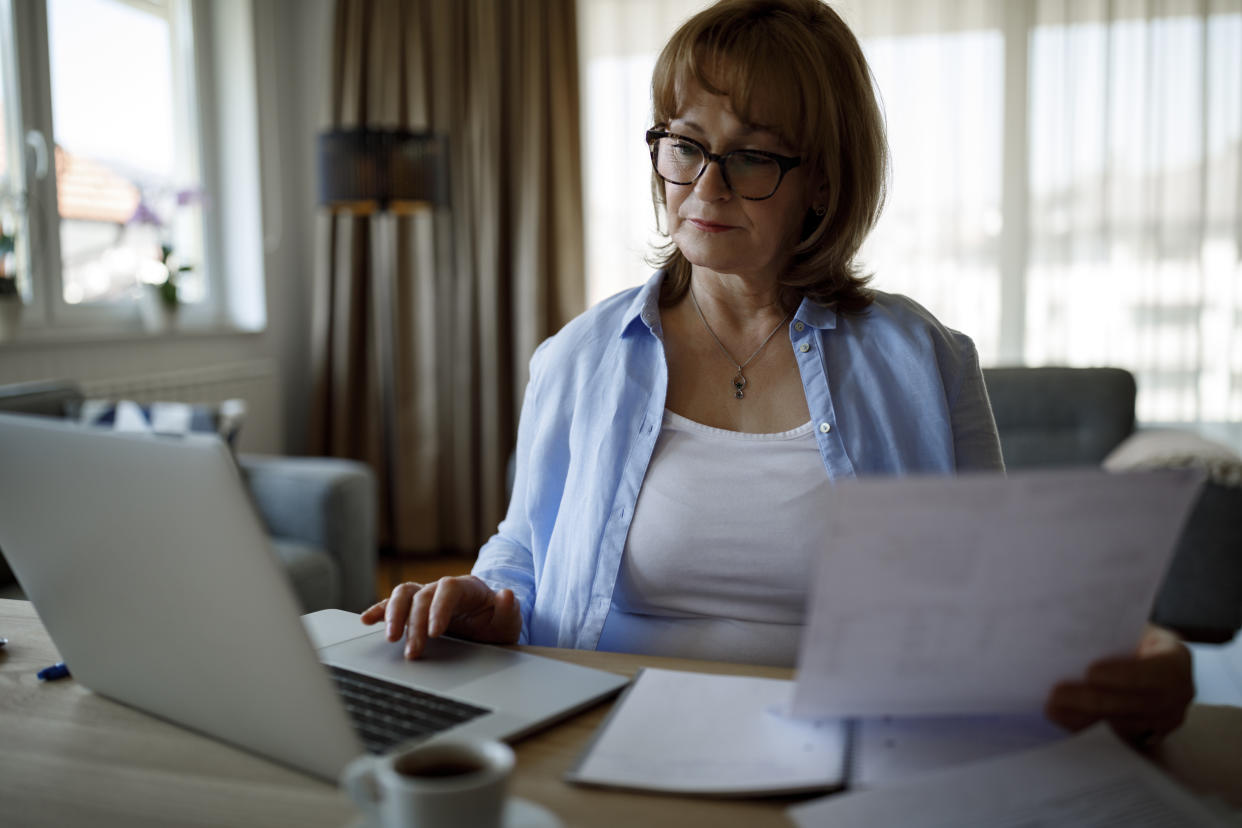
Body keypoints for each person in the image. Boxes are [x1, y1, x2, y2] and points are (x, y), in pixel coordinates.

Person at [361, 0, 1193, 746]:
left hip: (862, 745)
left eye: (753, 157)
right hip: (606, 728)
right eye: (685, 145)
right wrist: (488, 598)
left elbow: (1004, 590)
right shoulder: (576, 358)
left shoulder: (926, 360)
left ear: (821, 182)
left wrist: (1143, 649)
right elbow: (523, 550)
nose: (706, 186)